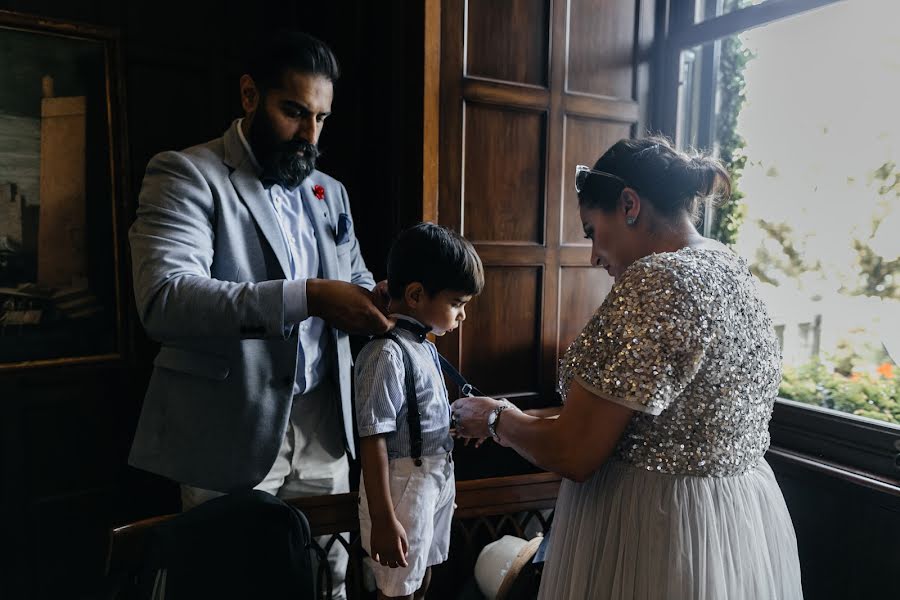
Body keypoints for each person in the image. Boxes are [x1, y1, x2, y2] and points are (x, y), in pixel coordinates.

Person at [451, 137, 804, 599]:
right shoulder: (729, 266)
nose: (594, 255)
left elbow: (574, 452)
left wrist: (497, 418)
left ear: (630, 205)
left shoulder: (659, 279)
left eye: (592, 231)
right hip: (735, 523)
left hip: (658, 528)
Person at [127, 31, 392, 599]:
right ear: (249, 95)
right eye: (294, 112)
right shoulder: (184, 174)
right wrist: (312, 296)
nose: (310, 135)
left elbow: (357, 277)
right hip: (230, 430)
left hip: (325, 428)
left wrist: (385, 300)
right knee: (230, 586)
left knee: (331, 582)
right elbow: (165, 299)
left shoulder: (330, 192)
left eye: (321, 117)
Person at [354, 223, 484, 600]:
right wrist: (382, 518)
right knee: (397, 589)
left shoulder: (423, 346)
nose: (461, 316)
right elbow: (372, 438)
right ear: (415, 294)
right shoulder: (385, 353)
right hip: (401, 481)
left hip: (435, 475)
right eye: (457, 304)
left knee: (423, 574)